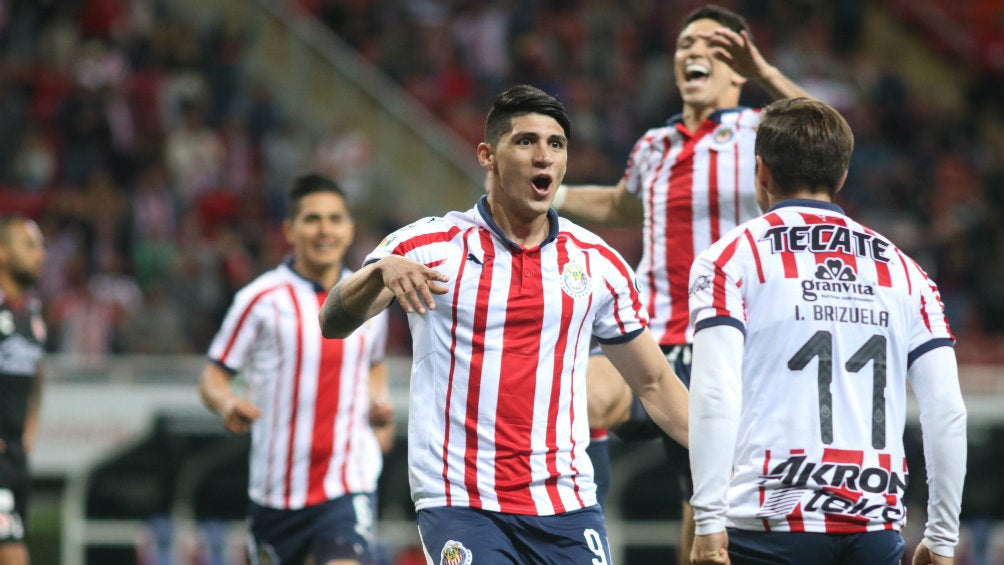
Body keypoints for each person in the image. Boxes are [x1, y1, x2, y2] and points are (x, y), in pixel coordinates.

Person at [318, 84, 689, 564]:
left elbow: (657, 383)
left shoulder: (598, 263)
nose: (544, 157)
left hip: (568, 504)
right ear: (487, 156)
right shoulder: (430, 245)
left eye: (556, 145)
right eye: (526, 141)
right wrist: (377, 272)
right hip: (463, 503)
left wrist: (735, 457)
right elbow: (333, 321)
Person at [552, 4, 811, 560]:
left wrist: (764, 70)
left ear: (738, 68)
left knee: (703, 536)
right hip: (650, 336)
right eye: (683, 45)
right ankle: (576, 546)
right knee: (574, 400)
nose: (692, 52)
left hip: (731, 347)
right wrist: (547, 193)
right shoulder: (654, 145)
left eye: (711, 46)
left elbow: (825, 140)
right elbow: (621, 204)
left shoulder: (763, 131)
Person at [687, 97, 967, 565]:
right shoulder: (906, 272)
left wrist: (708, 520)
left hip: (768, 525)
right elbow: (947, 412)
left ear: (761, 171)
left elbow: (715, 390)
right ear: (841, 177)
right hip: (874, 526)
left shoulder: (729, 259)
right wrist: (940, 537)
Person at [199, 173, 392, 565]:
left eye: (335, 219)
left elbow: (375, 365)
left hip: (346, 482)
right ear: (289, 229)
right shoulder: (260, 300)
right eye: (313, 219)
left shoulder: (370, 297)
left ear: (350, 228)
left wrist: (380, 408)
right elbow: (212, 376)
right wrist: (225, 403)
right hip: (275, 493)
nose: (325, 230)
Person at [0, 216, 47, 565]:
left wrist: (30, 425)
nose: (41, 255)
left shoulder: (32, 315)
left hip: (16, 458)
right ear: (2, 253)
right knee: (14, 555)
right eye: (29, 245)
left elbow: (38, 375)